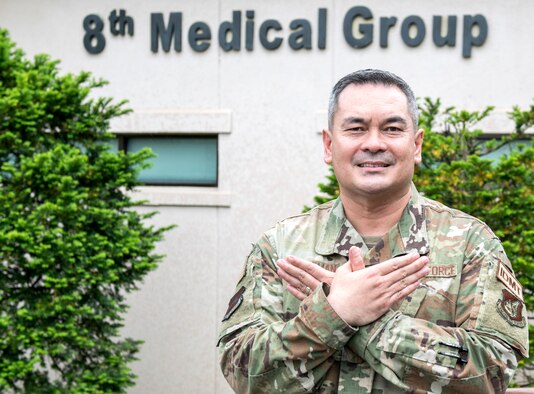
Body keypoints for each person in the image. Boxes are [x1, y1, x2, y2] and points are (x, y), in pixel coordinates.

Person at [217, 69, 529, 393]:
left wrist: (358, 321)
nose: (374, 143)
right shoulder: (281, 248)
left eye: (392, 129)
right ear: (328, 145)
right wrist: (332, 315)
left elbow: (493, 371)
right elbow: (242, 370)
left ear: (416, 144)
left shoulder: (470, 245)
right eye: (356, 128)